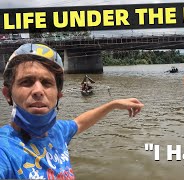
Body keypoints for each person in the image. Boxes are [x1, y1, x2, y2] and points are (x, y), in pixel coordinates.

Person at [0, 43, 144, 179]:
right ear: (8, 94)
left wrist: (113, 105)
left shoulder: (58, 131)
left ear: (58, 95)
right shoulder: (5, 149)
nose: (38, 91)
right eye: (26, 82)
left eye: (47, 83)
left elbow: (80, 122)